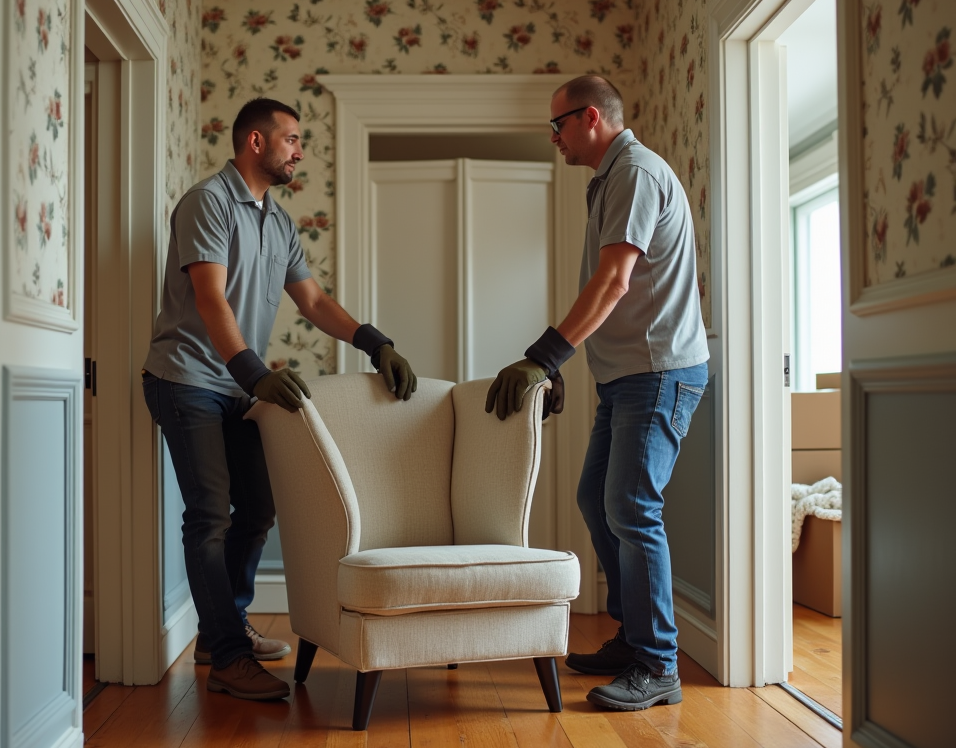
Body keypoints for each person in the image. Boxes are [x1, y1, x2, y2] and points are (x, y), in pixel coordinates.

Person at [141, 98, 417, 702]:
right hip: (186, 378)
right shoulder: (207, 203)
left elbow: (314, 303)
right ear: (256, 143)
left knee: (259, 508)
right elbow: (211, 299)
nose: (300, 150)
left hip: (238, 385)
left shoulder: (279, 221)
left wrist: (377, 344)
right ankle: (229, 659)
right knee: (211, 514)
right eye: (292, 139)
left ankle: (223, 630)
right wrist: (253, 371)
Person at [485, 75, 709, 711]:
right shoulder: (612, 179)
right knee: (597, 498)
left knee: (632, 507)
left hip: (658, 370)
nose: (551, 137)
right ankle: (633, 637)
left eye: (556, 125)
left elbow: (613, 283)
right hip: (626, 375)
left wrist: (543, 357)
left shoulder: (635, 172)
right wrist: (559, 366)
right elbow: (612, 291)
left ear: (590, 118)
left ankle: (657, 663)